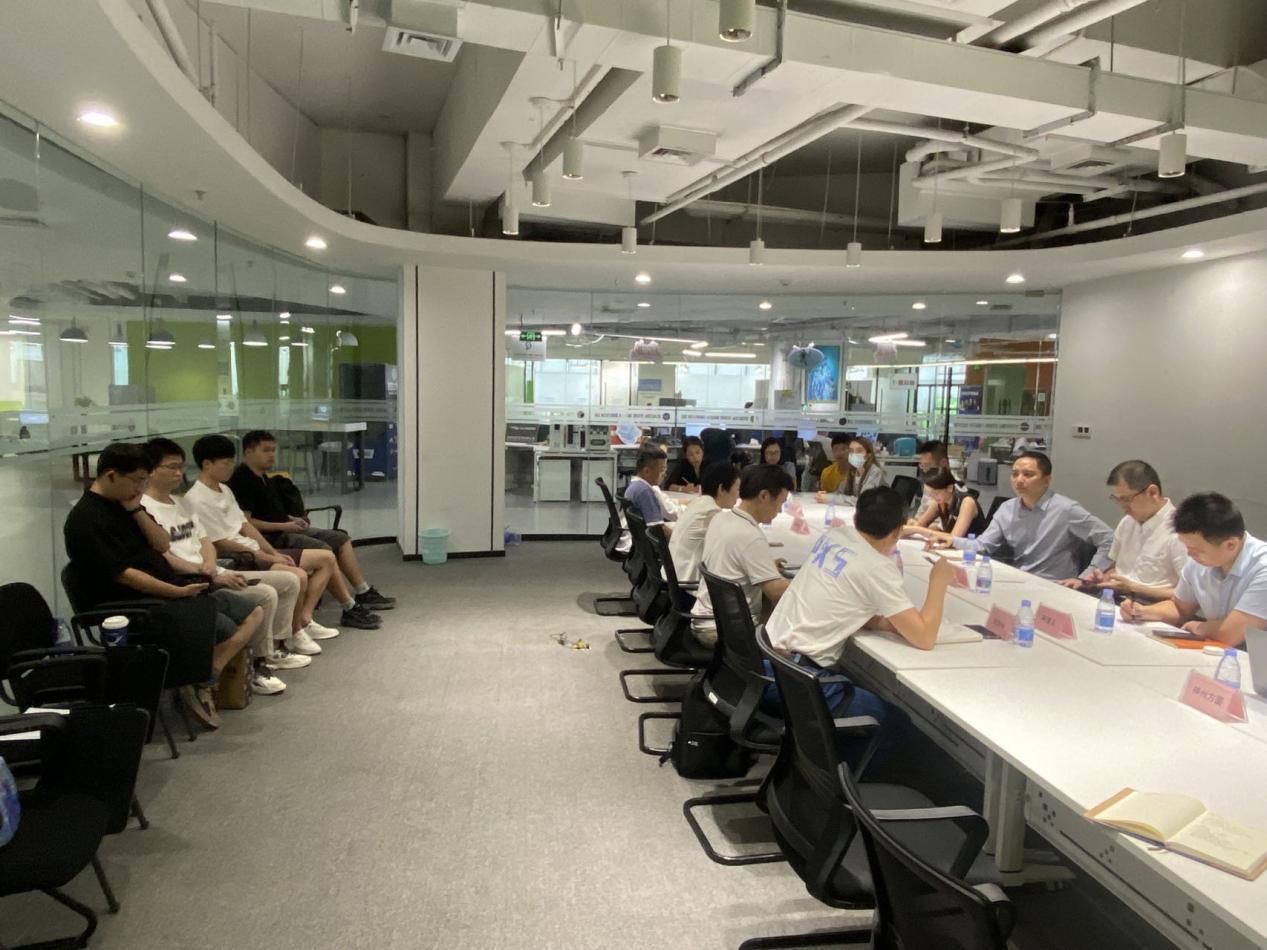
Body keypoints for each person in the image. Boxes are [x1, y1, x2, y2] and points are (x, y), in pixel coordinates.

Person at [63, 442, 263, 727]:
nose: (141, 488)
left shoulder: (127, 505)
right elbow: (125, 575)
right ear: (111, 476)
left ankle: (206, 674)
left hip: (170, 589)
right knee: (225, 625)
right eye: (137, 480)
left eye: (144, 481)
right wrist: (176, 592)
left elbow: (162, 544)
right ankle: (192, 677)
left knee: (254, 610)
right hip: (137, 605)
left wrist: (136, 510)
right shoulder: (86, 520)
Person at [142, 438, 310, 695]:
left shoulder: (183, 503)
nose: (178, 473)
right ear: (151, 470)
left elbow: (206, 541)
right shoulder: (146, 510)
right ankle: (258, 663)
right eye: (172, 467)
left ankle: (272, 650)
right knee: (267, 594)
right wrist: (208, 573)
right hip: (193, 578)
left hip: (215, 569)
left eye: (180, 467)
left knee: (289, 580)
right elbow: (166, 556)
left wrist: (212, 566)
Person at [768, 485, 957, 687]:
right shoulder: (876, 567)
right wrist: (938, 581)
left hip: (770, 658)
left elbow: (844, 600)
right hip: (798, 676)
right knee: (890, 708)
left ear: (856, 517)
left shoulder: (835, 536)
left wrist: (885, 623)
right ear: (897, 532)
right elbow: (925, 638)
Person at [183, 434, 351, 651]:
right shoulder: (196, 498)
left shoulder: (225, 490)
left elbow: (245, 525)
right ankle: (293, 633)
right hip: (237, 556)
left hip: (253, 549)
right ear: (207, 464)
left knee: (326, 558)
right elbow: (220, 542)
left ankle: (304, 620)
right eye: (226, 462)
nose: (231, 467)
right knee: (297, 576)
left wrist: (272, 552)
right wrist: (264, 556)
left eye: (231, 461)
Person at [228, 430, 394, 620]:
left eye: (273, 450)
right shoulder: (242, 481)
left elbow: (270, 512)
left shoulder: (263, 476)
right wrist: (285, 526)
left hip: (285, 527)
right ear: (248, 452)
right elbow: (248, 523)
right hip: (273, 537)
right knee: (325, 550)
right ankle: (348, 606)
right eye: (266, 450)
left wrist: (291, 519)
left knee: (341, 539)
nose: (271, 455)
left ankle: (363, 590)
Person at [926, 451, 1112, 586]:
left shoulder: (1066, 509)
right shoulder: (1007, 509)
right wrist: (952, 541)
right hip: (1016, 579)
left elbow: (1109, 540)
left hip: (1054, 584)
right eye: (1015, 474)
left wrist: (1085, 577)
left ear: (1047, 480)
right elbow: (983, 545)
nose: (1019, 480)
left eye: (1028, 475)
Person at [1122, 493, 1267, 647]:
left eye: (1197, 550)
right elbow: (1179, 607)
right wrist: (1142, 611)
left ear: (1230, 545)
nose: (1190, 554)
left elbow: (1231, 634)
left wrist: (1199, 627)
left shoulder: (1262, 567)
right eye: (1187, 547)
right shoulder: (1198, 562)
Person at [689, 464, 794, 646]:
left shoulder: (721, 518)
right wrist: (809, 581)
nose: (780, 511)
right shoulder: (750, 535)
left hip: (706, 619)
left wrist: (764, 564)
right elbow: (776, 592)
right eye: (780, 503)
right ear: (764, 496)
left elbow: (734, 561)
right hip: (725, 630)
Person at [1083, 460, 1187, 601]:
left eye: (1126, 499)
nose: (1123, 508)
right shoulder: (1127, 522)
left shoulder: (1180, 530)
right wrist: (1104, 579)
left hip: (1153, 607)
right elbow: (1117, 568)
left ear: (1152, 492)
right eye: (1117, 500)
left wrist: (1134, 589)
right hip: (1114, 600)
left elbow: (1190, 596)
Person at [668, 463, 740, 583]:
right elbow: (733, 549)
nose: (738, 495)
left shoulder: (698, 503)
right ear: (721, 489)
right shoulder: (710, 513)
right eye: (737, 489)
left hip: (673, 575)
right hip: (686, 584)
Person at [903, 467, 985, 539]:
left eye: (936, 493)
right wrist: (912, 525)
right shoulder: (939, 502)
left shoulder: (967, 502)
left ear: (950, 488)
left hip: (973, 549)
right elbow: (921, 524)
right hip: (952, 548)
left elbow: (954, 538)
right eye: (930, 494)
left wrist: (917, 529)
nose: (933, 497)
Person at [817, 435, 885, 502]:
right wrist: (826, 495)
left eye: (859, 451)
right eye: (851, 451)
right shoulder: (853, 470)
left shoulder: (875, 472)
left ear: (868, 455)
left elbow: (863, 500)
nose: (854, 454)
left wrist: (831, 498)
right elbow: (840, 492)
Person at [625, 447, 671, 535]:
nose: (665, 475)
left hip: (637, 535)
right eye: (662, 470)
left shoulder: (636, 485)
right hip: (646, 539)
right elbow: (658, 530)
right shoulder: (644, 491)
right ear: (647, 471)